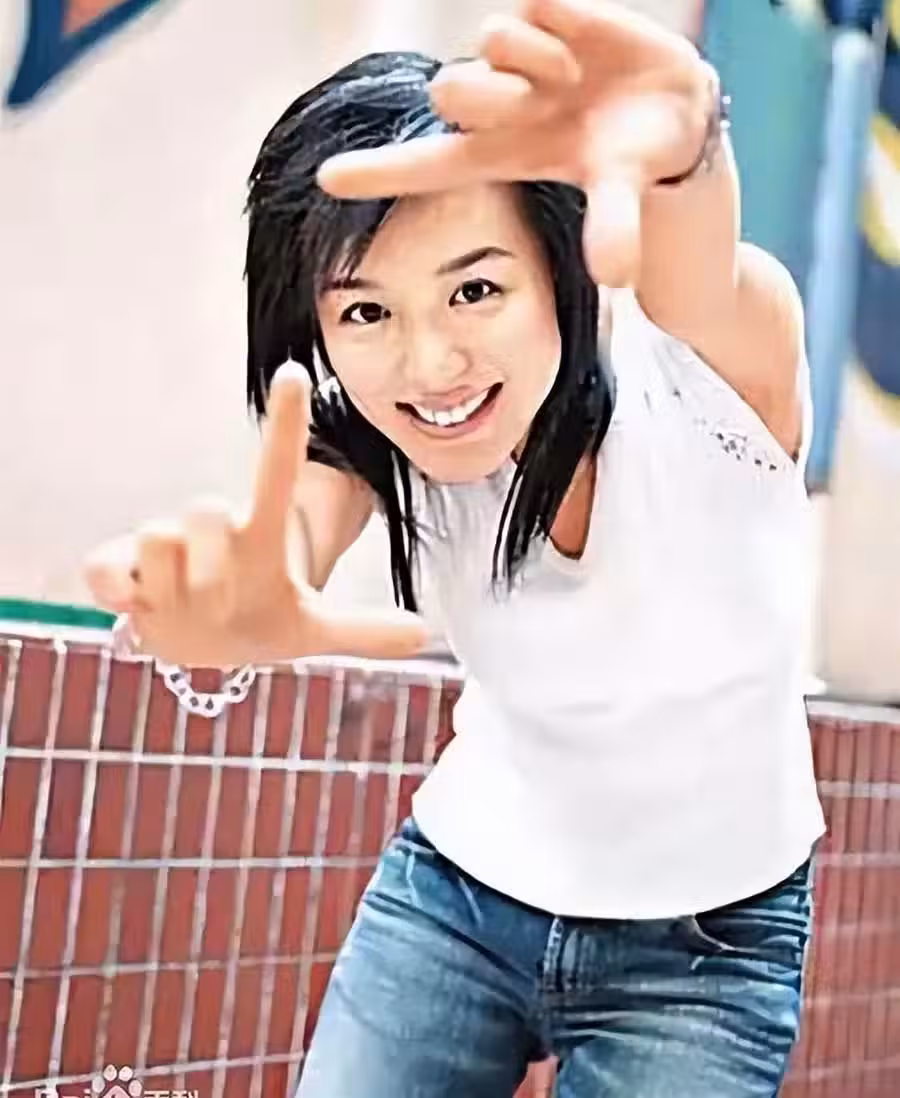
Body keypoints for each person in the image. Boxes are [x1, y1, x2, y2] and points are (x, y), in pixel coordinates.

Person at [86, 2, 826, 1094]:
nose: (429, 365)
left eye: (475, 289)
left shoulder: (703, 377)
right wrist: (241, 599)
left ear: (559, 269)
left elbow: (702, 271)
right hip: (459, 896)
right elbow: (290, 539)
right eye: (365, 313)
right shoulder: (372, 444)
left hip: (703, 944)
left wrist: (688, 159)